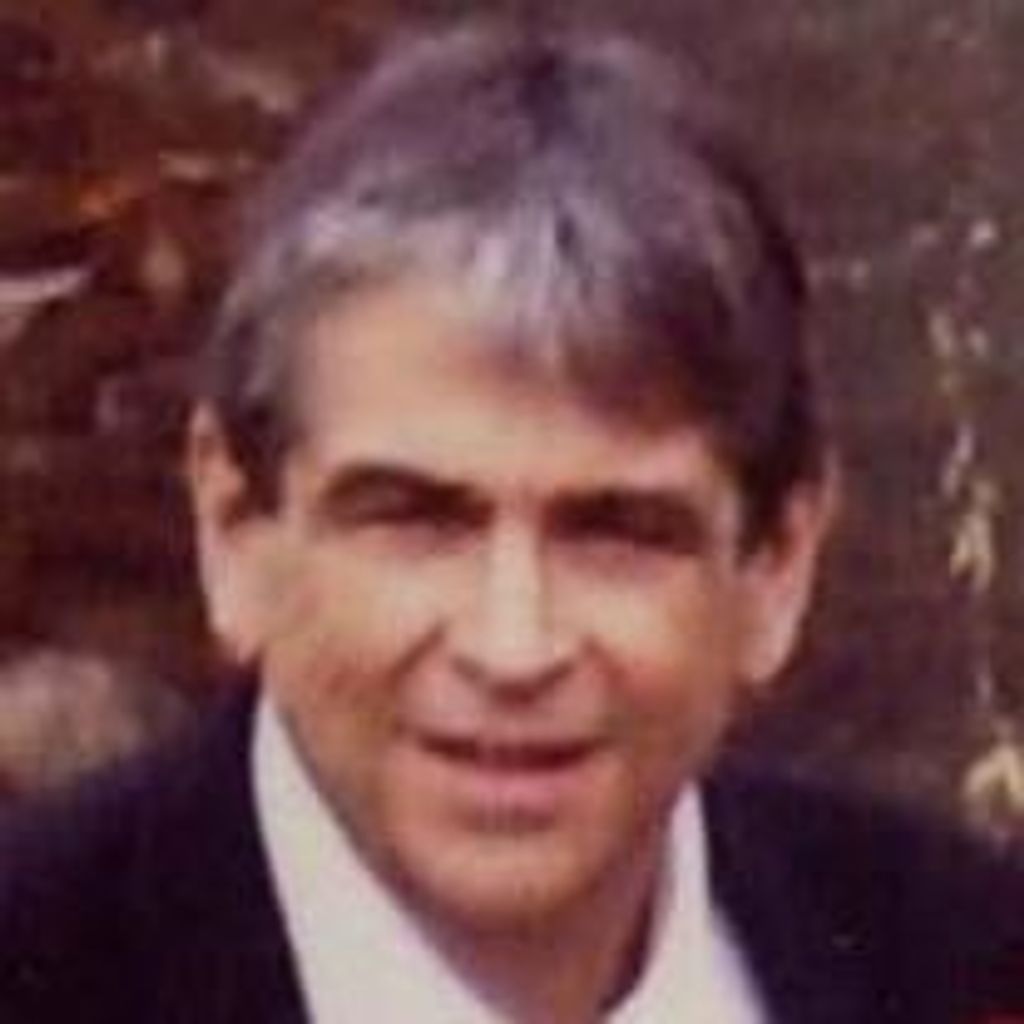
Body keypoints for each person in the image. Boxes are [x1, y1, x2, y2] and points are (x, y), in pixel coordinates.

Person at [0, 20, 1020, 1024]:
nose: (513, 647)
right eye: (415, 520)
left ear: (777, 565)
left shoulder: (961, 956)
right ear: (234, 529)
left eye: (615, 532)